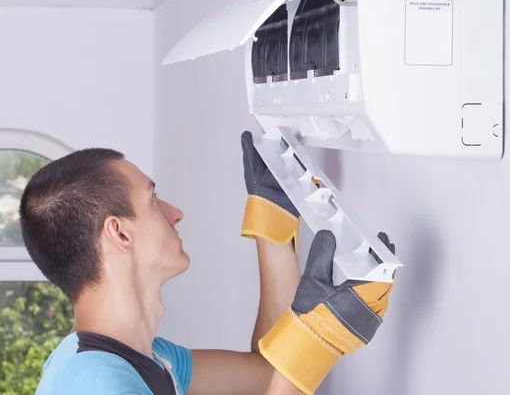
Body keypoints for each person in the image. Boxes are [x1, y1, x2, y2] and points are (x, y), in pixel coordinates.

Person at [20, 131, 397, 395]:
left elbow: (265, 376)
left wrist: (272, 228)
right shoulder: (97, 384)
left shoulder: (143, 356)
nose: (175, 213)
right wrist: (320, 340)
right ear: (119, 234)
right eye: (153, 200)